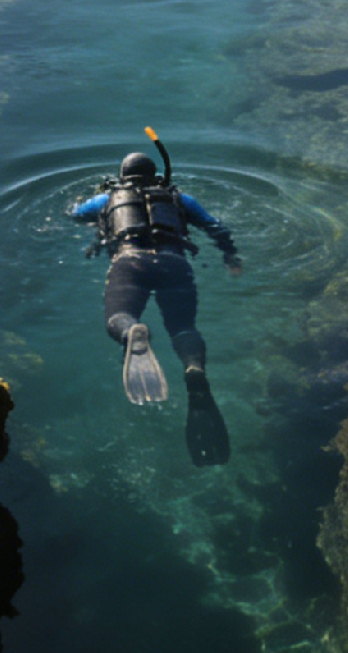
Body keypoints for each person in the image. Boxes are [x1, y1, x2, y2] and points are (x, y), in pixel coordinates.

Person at [69, 141, 240, 465]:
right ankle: (193, 367)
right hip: (174, 263)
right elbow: (215, 226)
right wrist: (231, 256)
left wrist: (91, 205)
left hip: (130, 262)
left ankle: (132, 331)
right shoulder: (179, 198)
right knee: (184, 327)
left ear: (123, 177)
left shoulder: (108, 199)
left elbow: (75, 215)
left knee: (118, 317)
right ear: (156, 176)